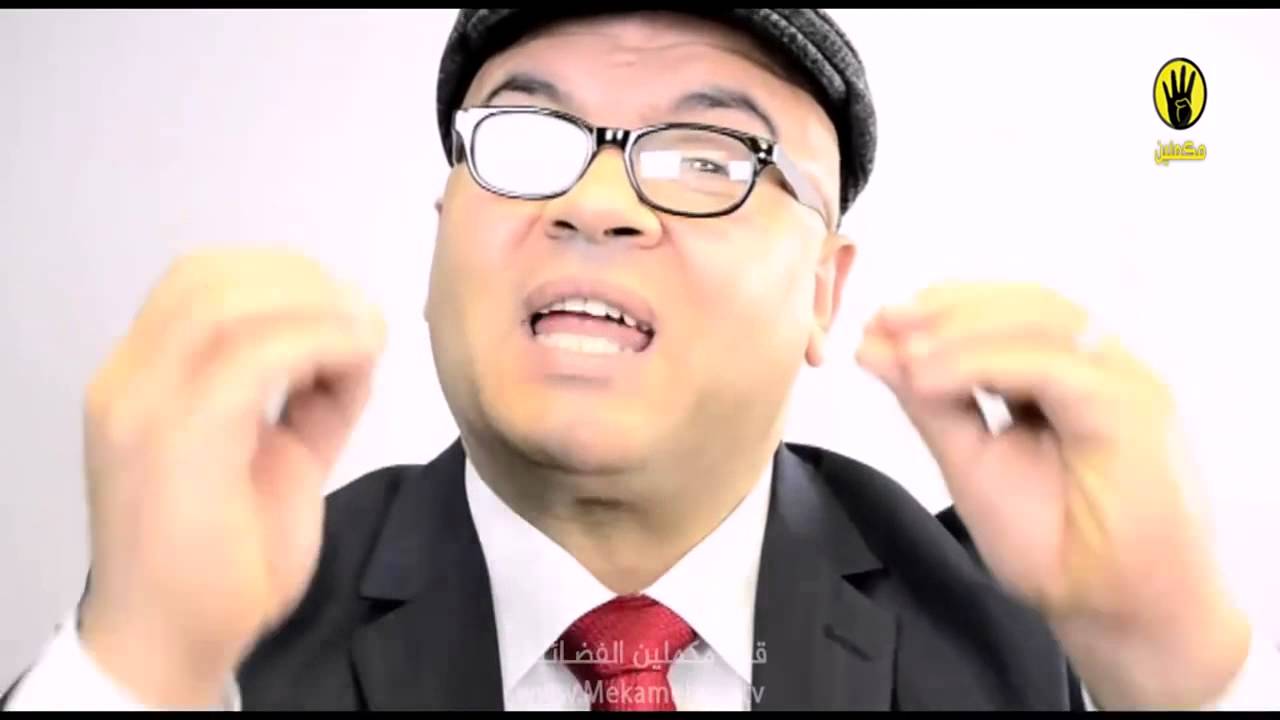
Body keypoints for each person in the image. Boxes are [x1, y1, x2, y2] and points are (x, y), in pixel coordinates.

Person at [2, 8, 1276, 711]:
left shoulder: (1024, 635)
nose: (597, 202)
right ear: (445, 229)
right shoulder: (214, 620)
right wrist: (128, 674)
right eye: (527, 137)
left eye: (707, 157)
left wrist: (1183, 678)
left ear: (823, 292)